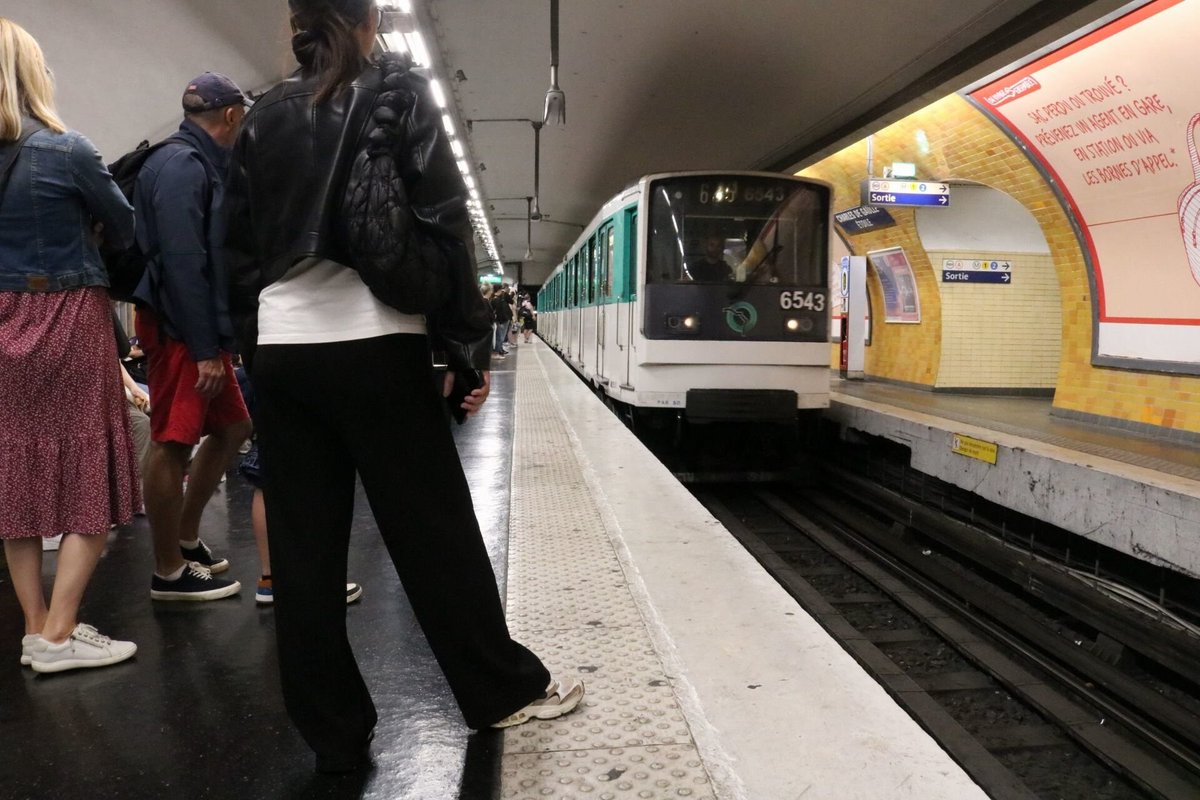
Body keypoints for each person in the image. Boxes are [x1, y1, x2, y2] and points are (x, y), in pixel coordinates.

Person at [225, 0, 583, 772]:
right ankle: (498, 690)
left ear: (296, 22)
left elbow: (233, 246)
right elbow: (442, 224)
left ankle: (334, 734)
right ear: (369, 23)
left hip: (285, 354)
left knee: (303, 547)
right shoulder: (397, 93)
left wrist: (255, 345)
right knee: (432, 531)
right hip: (378, 344)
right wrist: (464, 348)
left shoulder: (260, 116)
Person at [0, 18, 138, 672]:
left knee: (15, 474)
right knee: (90, 466)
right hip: (67, 314)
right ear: (34, 73)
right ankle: (59, 632)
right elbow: (125, 226)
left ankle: (34, 628)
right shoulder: (68, 149)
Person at [132, 72, 251, 601]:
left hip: (194, 327)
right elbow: (184, 263)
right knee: (172, 442)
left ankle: (182, 538)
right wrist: (205, 349)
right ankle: (168, 572)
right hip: (181, 327)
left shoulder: (193, 161)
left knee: (233, 428)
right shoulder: (183, 165)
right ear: (231, 115)